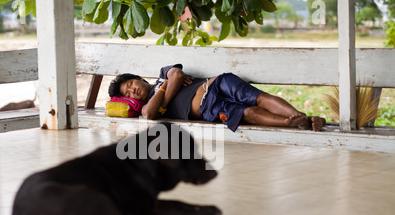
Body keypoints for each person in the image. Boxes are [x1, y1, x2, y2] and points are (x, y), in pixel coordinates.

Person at [108, 64, 326, 132]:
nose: (132, 91)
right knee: (247, 114)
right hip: (210, 110)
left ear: (137, 78)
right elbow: (149, 115)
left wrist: (165, 86)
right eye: (127, 94)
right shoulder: (147, 105)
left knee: (258, 98)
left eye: (130, 85)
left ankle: (298, 115)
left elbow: (177, 74)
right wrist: (164, 94)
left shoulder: (162, 74)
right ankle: (296, 123)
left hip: (217, 83)